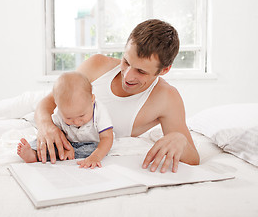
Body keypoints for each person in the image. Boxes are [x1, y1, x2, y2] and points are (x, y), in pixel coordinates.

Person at [34, 19, 200, 173]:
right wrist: (46, 125)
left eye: (141, 71)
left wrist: (181, 140)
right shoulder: (97, 65)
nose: (127, 76)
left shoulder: (167, 98)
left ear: (164, 70)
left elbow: (193, 158)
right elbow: (48, 102)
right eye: (126, 62)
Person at [17, 71, 114, 169]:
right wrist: (66, 147)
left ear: (92, 99)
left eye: (81, 115)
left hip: (93, 144)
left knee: (92, 150)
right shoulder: (59, 112)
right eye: (69, 118)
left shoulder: (99, 110)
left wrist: (95, 156)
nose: (76, 122)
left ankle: (54, 155)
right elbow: (58, 134)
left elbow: (107, 138)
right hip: (69, 143)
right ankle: (34, 154)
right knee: (44, 141)